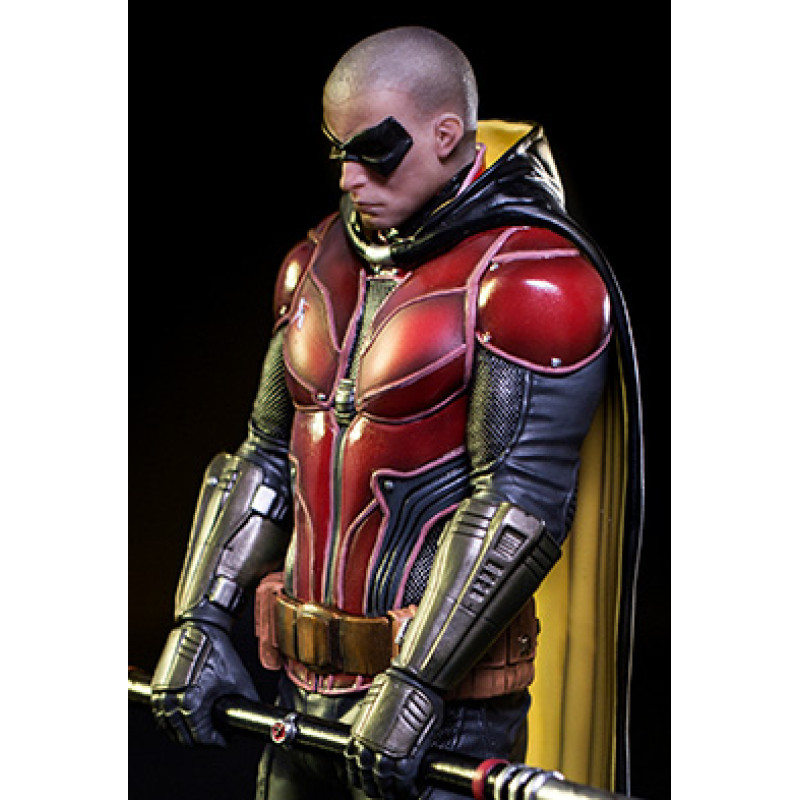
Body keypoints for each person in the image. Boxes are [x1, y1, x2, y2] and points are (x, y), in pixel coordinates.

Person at [149, 26, 643, 800]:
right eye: (338, 152)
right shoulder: (315, 263)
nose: (350, 178)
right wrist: (200, 621)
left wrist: (418, 681)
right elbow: (265, 454)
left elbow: (519, 505)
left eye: (374, 152)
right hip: (302, 690)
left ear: (446, 135)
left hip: (445, 716)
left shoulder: (529, 279)